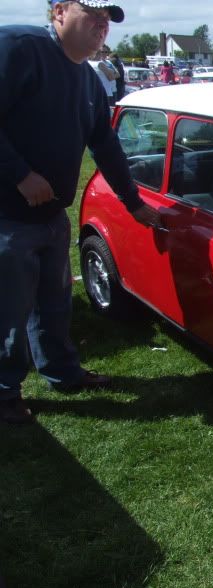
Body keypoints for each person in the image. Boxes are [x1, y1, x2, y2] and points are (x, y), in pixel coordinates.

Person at [0, 0, 162, 425]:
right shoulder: (18, 48)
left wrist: (134, 203)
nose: (101, 27)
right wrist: (20, 174)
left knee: (54, 304)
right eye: (91, 15)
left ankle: (62, 372)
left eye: (106, 20)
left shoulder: (87, 79)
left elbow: (104, 146)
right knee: (8, 310)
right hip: (7, 215)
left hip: (51, 216)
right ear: (58, 12)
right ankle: (4, 393)